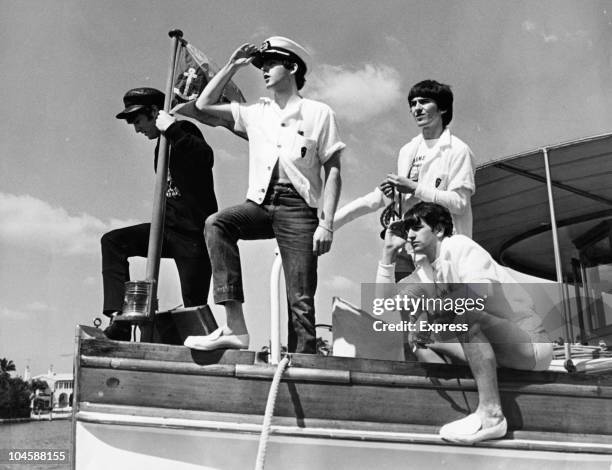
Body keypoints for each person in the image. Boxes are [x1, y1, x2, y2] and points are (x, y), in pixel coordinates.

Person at [181, 36, 345, 353]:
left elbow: (333, 168)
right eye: (262, 66)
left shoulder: (319, 113)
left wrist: (327, 223)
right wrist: (232, 65)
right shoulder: (256, 112)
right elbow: (202, 106)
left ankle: (302, 364)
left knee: (300, 297)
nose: (264, 71)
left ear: (293, 67)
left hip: (300, 209)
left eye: (271, 64)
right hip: (259, 203)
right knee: (217, 224)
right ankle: (234, 327)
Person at [376, 202, 552, 443]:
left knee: (464, 313)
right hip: (500, 352)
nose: (409, 235)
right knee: (419, 341)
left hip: (530, 344)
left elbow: (479, 295)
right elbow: (384, 304)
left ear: (438, 230)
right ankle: (463, 409)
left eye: (416, 228)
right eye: (407, 229)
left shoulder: (459, 245)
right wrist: (388, 254)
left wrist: (430, 313)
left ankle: (492, 414)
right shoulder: (428, 271)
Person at [101, 87, 217, 340]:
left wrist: (173, 128)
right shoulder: (160, 146)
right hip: (166, 232)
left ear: (155, 112)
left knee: (193, 308)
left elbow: (205, 158)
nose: (136, 128)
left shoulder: (183, 131)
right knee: (112, 241)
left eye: (138, 120)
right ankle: (119, 318)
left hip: (194, 237)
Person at [334, 80, 476, 279]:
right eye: (413, 103)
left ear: (442, 108)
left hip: (444, 254)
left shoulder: (459, 151)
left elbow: (459, 203)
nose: (416, 108)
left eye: (424, 102)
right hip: (408, 251)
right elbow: (376, 199)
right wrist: (327, 226)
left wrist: (414, 188)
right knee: (403, 307)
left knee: (445, 309)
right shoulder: (407, 151)